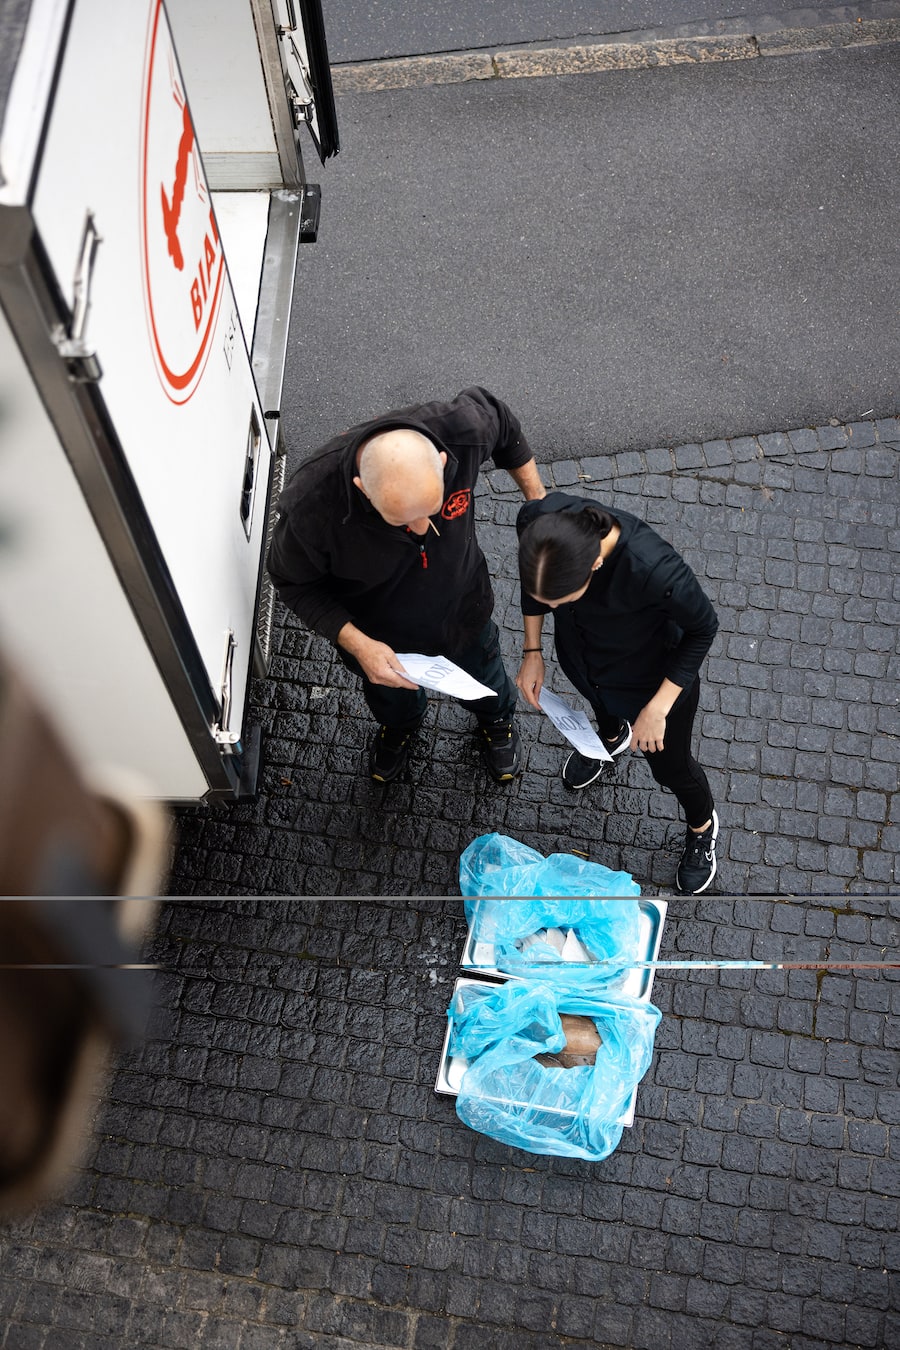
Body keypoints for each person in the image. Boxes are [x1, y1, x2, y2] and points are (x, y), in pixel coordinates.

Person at [268, 387, 546, 783]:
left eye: (432, 512)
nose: (422, 529)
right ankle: (400, 726)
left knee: (488, 676)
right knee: (390, 698)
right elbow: (292, 582)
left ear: (444, 461)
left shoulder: (462, 429)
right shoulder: (313, 506)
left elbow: (503, 423)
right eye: (401, 521)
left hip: (464, 610)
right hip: (381, 638)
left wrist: (539, 506)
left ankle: (496, 720)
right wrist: (359, 645)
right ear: (363, 488)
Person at [515, 492, 720, 894]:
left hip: (650, 683)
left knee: (671, 769)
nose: (549, 606)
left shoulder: (654, 568)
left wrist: (658, 709)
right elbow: (535, 589)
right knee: (601, 710)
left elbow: (703, 628)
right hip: (586, 663)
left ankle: (703, 825)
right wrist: (533, 649)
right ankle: (610, 739)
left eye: (561, 601)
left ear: (594, 564)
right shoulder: (537, 522)